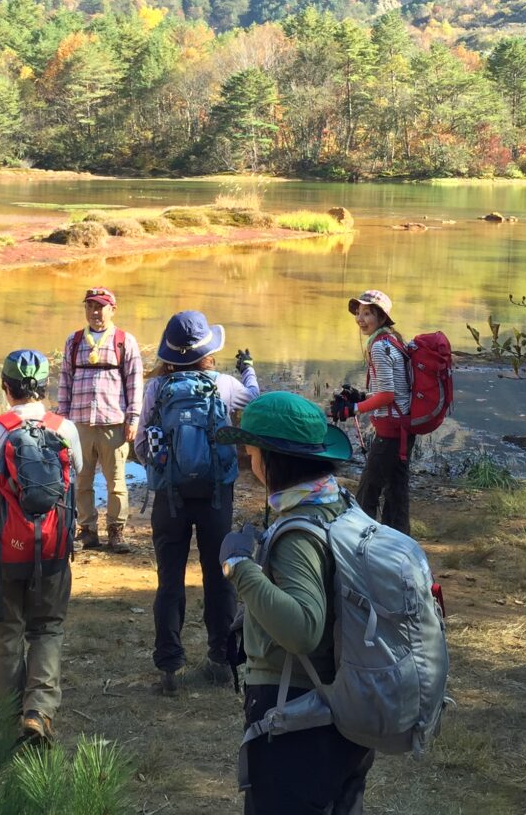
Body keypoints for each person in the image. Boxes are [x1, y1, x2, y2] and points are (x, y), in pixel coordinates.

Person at [216, 392, 375, 814]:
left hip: (298, 713)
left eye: (251, 451)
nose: (248, 460)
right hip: (345, 706)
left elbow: (303, 629)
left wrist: (238, 567)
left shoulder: (298, 532)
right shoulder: (340, 506)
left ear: (272, 459)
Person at [0, 349, 83, 746]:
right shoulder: (65, 427)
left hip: (1, 553)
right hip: (53, 551)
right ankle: (38, 713)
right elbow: (75, 470)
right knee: (47, 628)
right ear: (45, 387)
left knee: (4, 631)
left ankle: (8, 720)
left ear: (6, 387)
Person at [133, 309, 259, 695]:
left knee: (168, 580)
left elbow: (140, 447)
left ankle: (170, 669)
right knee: (219, 577)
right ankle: (221, 661)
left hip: (169, 499)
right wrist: (248, 369)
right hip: (215, 495)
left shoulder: (156, 390)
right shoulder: (222, 384)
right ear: (208, 350)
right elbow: (255, 402)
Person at [57, 286, 143, 553]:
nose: (95, 312)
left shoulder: (124, 341)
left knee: (116, 482)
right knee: (81, 481)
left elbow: (135, 383)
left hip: (113, 424)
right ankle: (87, 531)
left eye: (100, 306)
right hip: (79, 425)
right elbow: (64, 382)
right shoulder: (73, 342)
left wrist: (133, 419)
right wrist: (61, 422)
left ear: (112, 310)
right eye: (90, 306)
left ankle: (116, 533)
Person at [336, 289, 413, 534]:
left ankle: (360, 542)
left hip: (391, 431)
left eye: (367, 313)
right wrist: (362, 397)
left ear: (381, 316)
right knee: (396, 490)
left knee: (367, 491)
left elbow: (388, 395)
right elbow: (393, 390)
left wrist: (354, 409)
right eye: (358, 313)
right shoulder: (393, 339)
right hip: (403, 426)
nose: (360, 319)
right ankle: (399, 540)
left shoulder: (379, 347)